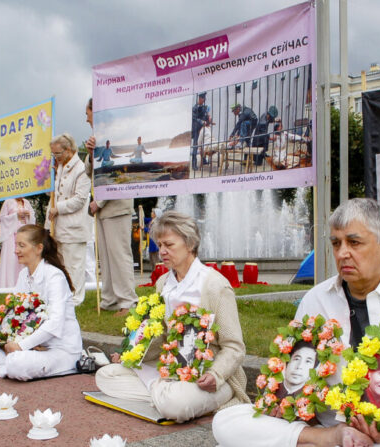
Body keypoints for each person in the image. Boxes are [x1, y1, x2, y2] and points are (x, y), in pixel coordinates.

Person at [213, 198, 380, 447]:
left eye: (354, 242)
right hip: (328, 431)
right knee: (227, 420)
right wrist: (284, 402)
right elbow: (297, 376)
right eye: (336, 243)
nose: (343, 253)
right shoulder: (315, 300)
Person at [95, 211, 248, 423]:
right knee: (106, 376)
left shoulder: (215, 285)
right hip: (168, 368)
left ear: (190, 244)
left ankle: (173, 398)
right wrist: (131, 354)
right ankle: (168, 394)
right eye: (160, 245)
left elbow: (235, 347)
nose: (162, 252)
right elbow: (161, 334)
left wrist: (216, 375)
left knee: (174, 404)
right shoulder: (163, 283)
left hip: (208, 376)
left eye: (169, 245)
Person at [0, 224, 82, 380]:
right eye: (16, 245)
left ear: (39, 248)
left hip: (59, 349)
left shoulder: (54, 276)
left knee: (17, 362)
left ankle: (15, 365)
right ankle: (15, 364)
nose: (16, 250)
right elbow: (10, 314)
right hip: (30, 348)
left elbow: (55, 323)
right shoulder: (23, 275)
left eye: (21, 245)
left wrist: (21, 346)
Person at [85, 98, 138, 315]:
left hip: (117, 205)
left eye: (88, 113)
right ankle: (109, 299)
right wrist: (90, 154)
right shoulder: (96, 139)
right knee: (105, 257)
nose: (86, 118)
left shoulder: (115, 136)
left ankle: (127, 301)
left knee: (119, 254)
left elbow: (117, 172)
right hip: (104, 209)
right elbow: (91, 173)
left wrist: (101, 201)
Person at [46, 132, 91, 305]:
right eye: (53, 154)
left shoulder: (81, 169)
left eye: (58, 154)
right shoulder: (60, 168)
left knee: (74, 265)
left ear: (69, 150)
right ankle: (64, 296)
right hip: (58, 226)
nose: (55, 157)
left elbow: (80, 199)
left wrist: (58, 209)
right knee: (61, 264)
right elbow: (54, 194)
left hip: (75, 226)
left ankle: (76, 298)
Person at [0, 197, 35, 289]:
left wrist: (28, 215)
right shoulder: (8, 201)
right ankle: (10, 285)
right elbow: (1, 219)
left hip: (25, 235)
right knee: (11, 261)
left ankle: (25, 285)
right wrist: (15, 216)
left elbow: (33, 218)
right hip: (11, 236)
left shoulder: (26, 202)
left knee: (24, 260)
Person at [191, 92, 210, 170]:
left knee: (202, 145)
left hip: (202, 129)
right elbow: (194, 118)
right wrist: (202, 122)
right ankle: (194, 164)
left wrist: (208, 119)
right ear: (200, 99)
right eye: (203, 99)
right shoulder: (194, 108)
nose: (204, 100)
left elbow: (205, 117)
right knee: (195, 146)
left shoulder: (203, 108)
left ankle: (204, 160)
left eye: (205, 99)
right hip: (196, 129)